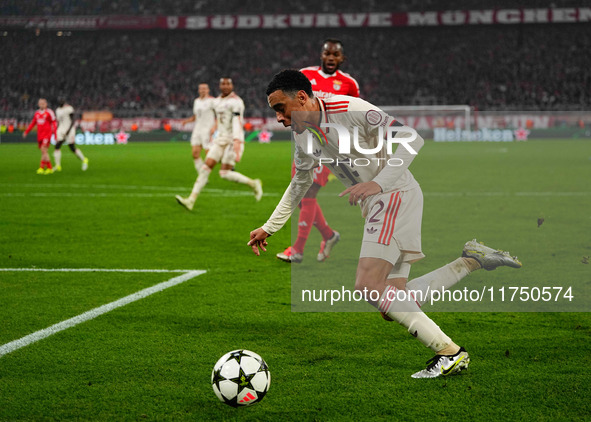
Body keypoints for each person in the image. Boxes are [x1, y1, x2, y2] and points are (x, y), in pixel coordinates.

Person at [248, 70, 522, 378]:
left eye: (280, 108)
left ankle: (450, 352)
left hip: (392, 195)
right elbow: (300, 181)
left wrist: (378, 184)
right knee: (392, 303)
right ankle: (471, 261)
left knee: (367, 285)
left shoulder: (350, 109)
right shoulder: (302, 135)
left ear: (300, 97)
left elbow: (412, 138)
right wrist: (270, 226)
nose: (279, 118)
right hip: (382, 201)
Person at [277, 38, 361, 264]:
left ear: (342, 58)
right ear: (321, 56)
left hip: (328, 146)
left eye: (336, 55)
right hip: (304, 143)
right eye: (327, 54)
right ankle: (329, 236)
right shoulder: (305, 75)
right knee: (303, 197)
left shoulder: (349, 84)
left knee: (309, 192)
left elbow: (354, 113)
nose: (331, 58)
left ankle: (297, 250)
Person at [176, 77, 263, 210]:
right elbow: (205, 107)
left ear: (232, 86)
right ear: (220, 86)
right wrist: (203, 94)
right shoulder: (216, 101)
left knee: (225, 173)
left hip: (232, 139)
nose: (225, 86)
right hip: (220, 139)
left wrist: (237, 142)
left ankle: (253, 184)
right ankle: (191, 200)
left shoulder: (237, 102)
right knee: (206, 168)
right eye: (223, 84)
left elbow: (237, 122)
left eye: (228, 83)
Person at [182, 83, 216, 174]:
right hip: (197, 130)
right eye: (201, 89)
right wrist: (186, 121)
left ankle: (227, 164)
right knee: (195, 154)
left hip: (207, 130)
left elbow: (220, 115)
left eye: (205, 89)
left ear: (208, 90)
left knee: (209, 155)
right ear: (198, 90)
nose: (203, 90)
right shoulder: (196, 101)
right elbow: (196, 116)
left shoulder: (212, 101)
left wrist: (214, 127)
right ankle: (202, 174)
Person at [22, 98, 57, 174]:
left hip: (47, 135)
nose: (42, 104)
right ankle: (44, 168)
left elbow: (54, 123)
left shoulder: (49, 112)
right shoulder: (37, 113)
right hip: (40, 135)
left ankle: (48, 167)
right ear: (38, 104)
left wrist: (55, 135)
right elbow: (33, 123)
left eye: (43, 103)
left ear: (46, 104)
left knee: (44, 150)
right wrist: (26, 132)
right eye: (40, 103)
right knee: (43, 152)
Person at [54, 100, 88, 171]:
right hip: (61, 129)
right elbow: (59, 121)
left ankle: (84, 160)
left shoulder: (69, 108)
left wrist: (68, 131)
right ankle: (58, 166)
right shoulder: (57, 110)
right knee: (57, 146)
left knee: (72, 147)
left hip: (69, 129)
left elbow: (73, 120)